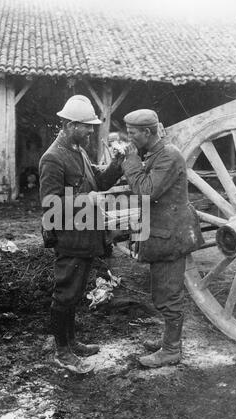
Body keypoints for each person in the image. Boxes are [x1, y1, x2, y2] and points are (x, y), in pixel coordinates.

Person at [39, 95, 123, 374]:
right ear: (71, 125)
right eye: (86, 126)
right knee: (65, 294)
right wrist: (88, 199)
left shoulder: (78, 150)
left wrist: (119, 162)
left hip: (85, 235)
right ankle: (61, 351)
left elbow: (98, 180)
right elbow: (50, 204)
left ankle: (72, 342)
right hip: (70, 238)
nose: (91, 131)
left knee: (74, 294)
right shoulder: (52, 157)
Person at [121, 109, 204, 368]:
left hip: (171, 236)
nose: (129, 137)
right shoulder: (156, 153)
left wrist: (131, 161)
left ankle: (171, 350)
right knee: (163, 292)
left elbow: (147, 190)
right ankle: (169, 343)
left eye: (132, 133)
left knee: (168, 295)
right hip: (164, 233)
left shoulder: (168, 155)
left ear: (147, 132)